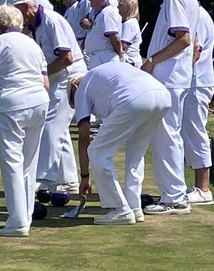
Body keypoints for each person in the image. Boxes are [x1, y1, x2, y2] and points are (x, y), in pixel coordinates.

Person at [0, 5, 49, 236]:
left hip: (13, 104)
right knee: (29, 162)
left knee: (12, 162)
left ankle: (17, 222)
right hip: (39, 102)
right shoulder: (32, 43)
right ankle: (25, 216)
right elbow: (45, 83)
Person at [140, 0, 202, 215]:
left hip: (169, 77)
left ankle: (174, 196)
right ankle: (174, 193)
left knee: (166, 135)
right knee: (169, 134)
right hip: (175, 76)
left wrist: (152, 61)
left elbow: (184, 38)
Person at [72, 60, 173, 224]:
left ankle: (120, 209)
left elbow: (84, 136)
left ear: (74, 87)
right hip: (162, 95)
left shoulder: (81, 89)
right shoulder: (105, 73)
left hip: (135, 98)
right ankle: (134, 207)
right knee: (136, 154)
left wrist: (85, 177)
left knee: (97, 152)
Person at [6, 0, 86, 190]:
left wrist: (41, 75)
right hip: (55, 76)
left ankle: (44, 177)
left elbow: (66, 58)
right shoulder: (31, 25)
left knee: (51, 125)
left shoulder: (51, 20)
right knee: (59, 128)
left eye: (16, 12)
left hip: (69, 75)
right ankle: (68, 179)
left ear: (25, 7)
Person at [182, 4, 214, 205]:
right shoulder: (196, 14)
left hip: (196, 81)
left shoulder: (198, 16)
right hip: (191, 81)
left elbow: (196, 50)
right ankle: (194, 186)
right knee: (187, 132)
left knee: (195, 131)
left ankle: (203, 189)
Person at [84, 0, 125, 67]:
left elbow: (113, 36)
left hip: (104, 58)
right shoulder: (100, 13)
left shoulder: (107, 12)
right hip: (100, 57)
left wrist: (119, 53)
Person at [118, 0, 143, 67]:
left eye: (120, 5)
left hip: (130, 61)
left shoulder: (130, 23)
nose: (117, 7)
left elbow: (123, 46)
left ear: (128, 8)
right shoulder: (123, 22)